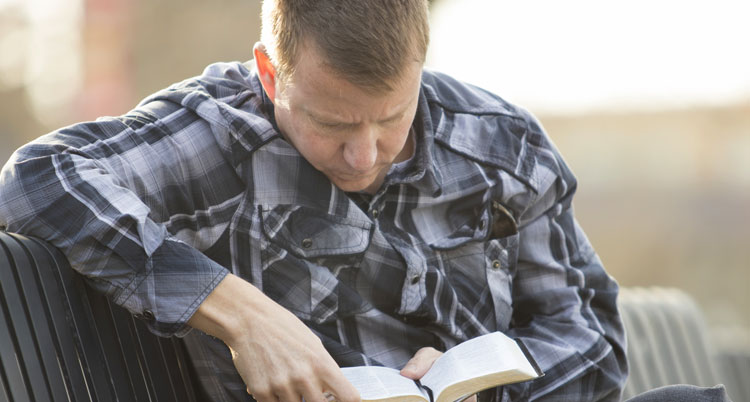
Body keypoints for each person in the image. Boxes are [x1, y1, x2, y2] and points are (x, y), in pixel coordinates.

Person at [0, 1, 732, 401]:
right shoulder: (216, 134)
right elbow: (40, 178)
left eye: (391, 118)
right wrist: (242, 314)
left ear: (420, 68)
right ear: (267, 69)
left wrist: (493, 392)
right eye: (330, 122)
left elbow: (594, 339)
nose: (365, 153)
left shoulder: (501, 143)